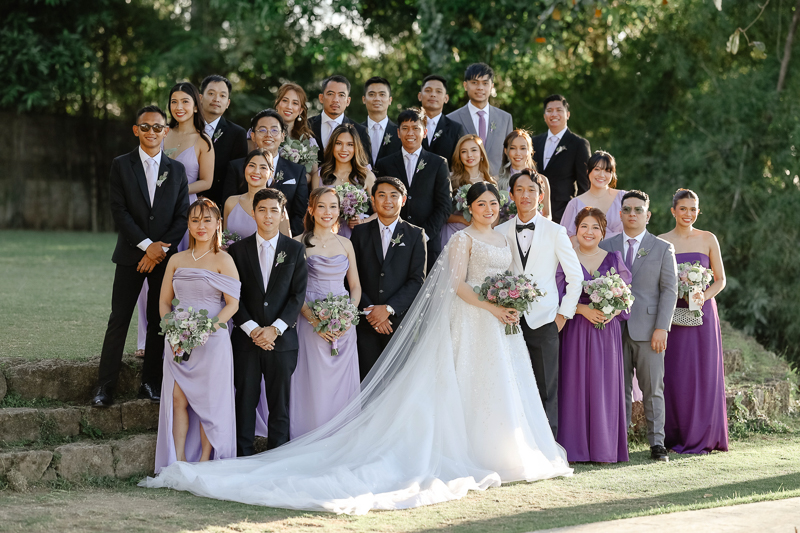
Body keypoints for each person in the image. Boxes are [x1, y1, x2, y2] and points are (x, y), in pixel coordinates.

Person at [142, 182, 572, 513]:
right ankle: (243, 453)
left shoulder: (499, 237)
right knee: (275, 392)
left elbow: (372, 284)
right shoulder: (295, 245)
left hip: (487, 325)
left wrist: (505, 304)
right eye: (481, 203)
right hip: (310, 326)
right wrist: (307, 320)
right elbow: (289, 291)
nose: (489, 208)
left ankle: (497, 449)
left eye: (494, 203)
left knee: (494, 386)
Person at [91, 105, 189, 408]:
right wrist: (147, 246)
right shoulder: (121, 165)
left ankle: (150, 383)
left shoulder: (177, 170)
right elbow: (119, 210)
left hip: (164, 258)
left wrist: (160, 250)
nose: (151, 132)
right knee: (119, 319)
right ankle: (105, 387)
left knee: (158, 319)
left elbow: (182, 216)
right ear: (136, 130)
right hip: (129, 254)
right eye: (145, 127)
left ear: (165, 131)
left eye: (157, 127)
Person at [495, 169, 583, 438]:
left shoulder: (556, 231)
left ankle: (548, 445)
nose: (525, 195)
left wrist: (563, 315)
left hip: (545, 320)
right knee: (511, 386)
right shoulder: (499, 232)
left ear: (541, 196)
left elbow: (575, 277)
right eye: (519, 190)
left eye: (531, 190)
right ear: (511, 195)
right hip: (507, 321)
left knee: (546, 388)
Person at [154, 198, 240, 471]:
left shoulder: (224, 259)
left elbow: (233, 304)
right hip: (178, 341)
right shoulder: (176, 259)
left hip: (212, 342)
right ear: (188, 225)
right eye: (195, 220)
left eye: (207, 220)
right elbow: (164, 301)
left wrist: (206, 329)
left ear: (217, 224)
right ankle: (178, 460)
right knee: (178, 399)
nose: (201, 226)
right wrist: (173, 329)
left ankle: (205, 462)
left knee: (207, 403)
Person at [227, 188, 308, 454]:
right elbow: (233, 295)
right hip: (245, 341)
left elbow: (297, 296)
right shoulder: (237, 251)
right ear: (253, 213)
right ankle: (243, 455)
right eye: (262, 210)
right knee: (245, 400)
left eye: (274, 210)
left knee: (279, 404)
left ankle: (277, 457)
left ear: (282, 214)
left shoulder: (295, 249)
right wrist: (252, 330)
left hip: (282, 342)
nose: (268, 215)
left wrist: (275, 329)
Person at [599, 190, 678, 462]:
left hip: (650, 330)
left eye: (638, 210)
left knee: (652, 388)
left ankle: (657, 443)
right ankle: (619, 442)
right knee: (618, 389)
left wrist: (662, 328)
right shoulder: (606, 246)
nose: (632, 214)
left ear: (648, 215)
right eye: (627, 209)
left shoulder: (662, 248)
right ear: (620, 214)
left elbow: (669, 290)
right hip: (613, 330)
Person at [556, 207, 630, 463]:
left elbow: (626, 298)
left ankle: (603, 448)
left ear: (603, 232)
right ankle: (574, 448)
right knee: (574, 383)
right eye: (584, 226)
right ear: (576, 230)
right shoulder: (564, 258)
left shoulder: (614, 258)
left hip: (605, 332)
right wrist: (581, 309)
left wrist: (613, 310)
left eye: (595, 227)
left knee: (603, 385)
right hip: (574, 328)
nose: (589, 232)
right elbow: (555, 295)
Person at [659, 189, 729, 454]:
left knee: (704, 372)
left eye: (693, 209)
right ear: (673, 211)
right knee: (676, 373)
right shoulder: (661, 241)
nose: (688, 214)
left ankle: (705, 434)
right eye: (683, 209)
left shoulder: (708, 238)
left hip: (703, 315)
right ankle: (674, 434)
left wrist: (702, 296)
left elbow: (720, 279)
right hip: (673, 315)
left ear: (698, 211)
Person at [289, 188, 362, 438]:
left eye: (333, 206)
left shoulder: (346, 244)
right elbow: (294, 290)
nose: (327, 212)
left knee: (341, 382)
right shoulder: (297, 243)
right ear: (311, 209)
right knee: (314, 381)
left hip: (344, 323)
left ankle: (342, 437)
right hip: (310, 319)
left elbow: (355, 286)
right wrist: (314, 320)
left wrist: (348, 317)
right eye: (321, 206)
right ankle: (309, 435)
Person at [350, 177, 427, 380]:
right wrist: (370, 311)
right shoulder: (359, 233)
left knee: (396, 381)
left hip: (398, 322)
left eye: (394, 195)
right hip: (365, 321)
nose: (388, 201)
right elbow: (352, 276)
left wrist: (388, 309)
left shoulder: (415, 235)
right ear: (373, 199)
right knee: (365, 379)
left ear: (403, 200)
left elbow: (417, 280)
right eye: (382, 195)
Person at [374, 107, 451, 272]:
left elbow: (444, 206)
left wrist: (424, 235)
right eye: (405, 128)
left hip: (428, 244)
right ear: (398, 132)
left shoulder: (438, 164)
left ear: (425, 132)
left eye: (416, 128)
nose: (410, 133)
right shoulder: (384, 164)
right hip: (392, 242)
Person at [222, 109, 308, 235]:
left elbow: (300, 214)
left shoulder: (297, 171)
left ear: (282, 136)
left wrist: (286, 241)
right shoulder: (236, 167)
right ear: (253, 135)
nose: (268, 135)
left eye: (274, 130)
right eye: (262, 130)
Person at [164, 82, 214, 251]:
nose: (179, 107)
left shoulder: (203, 140)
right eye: (174, 102)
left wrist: (176, 191)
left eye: (185, 101)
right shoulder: (162, 134)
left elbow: (207, 182)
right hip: (158, 206)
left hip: (186, 206)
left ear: (195, 107)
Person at [532, 95, 591, 224]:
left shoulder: (578, 144)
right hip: (534, 212)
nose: (554, 114)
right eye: (549, 110)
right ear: (544, 116)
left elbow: (585, 185)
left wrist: (578, 215)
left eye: (559, 110)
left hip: (564, 214)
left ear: (567, 114)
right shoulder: (534, 142)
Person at [446, 63, 513, 175]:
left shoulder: (505, 119)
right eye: (474, 83)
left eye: (485, 83)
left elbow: (509, 157)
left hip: (498, 183)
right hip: (464, 183)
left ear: (491, 86)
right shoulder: (451, 119)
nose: (480, 87)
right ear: (465, 85)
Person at [312, 123, 377, 238]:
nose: (344, 149)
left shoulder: (367, 175)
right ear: (332, 145)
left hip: (358, 237)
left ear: (356, 147)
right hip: (327, 238)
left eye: (350, 144)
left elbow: (381, 212)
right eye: (338, 143)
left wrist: (362, 222)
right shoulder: (320, 176)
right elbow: (312, 212)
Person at [198, 75, 248, 207]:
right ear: (200, 98)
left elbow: (237, 178)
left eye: (222, 95)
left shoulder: (237, 134)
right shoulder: (185, 128)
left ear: (227, 103)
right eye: (211, 93)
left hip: (218, 205)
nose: (216, 99)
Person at [441, 134, 495, 249]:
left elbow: (496, 214)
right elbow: (441, 212)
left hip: (481, 236)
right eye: (464, 151)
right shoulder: (450, 179)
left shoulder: (490, 182)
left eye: (474, 150)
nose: (469, 155)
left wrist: (487, 234)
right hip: (454, 232)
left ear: (481, 154)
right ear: (459, 156)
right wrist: (463, 220)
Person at [560, 151, 626, 241]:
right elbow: (566, 239)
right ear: (588, 171)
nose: (601, 175)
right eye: (597, 169)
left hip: (621, 250)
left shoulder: (624, 198)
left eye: (607, 170)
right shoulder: (575, 204)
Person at [307, 75, 372, 164]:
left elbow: (365, 166)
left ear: (348, 101)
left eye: (341, 95)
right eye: (330, 94)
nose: (335, 100)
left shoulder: (360, 132)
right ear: (321, 98)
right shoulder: (306, 126)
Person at [496, 130, 552, 219]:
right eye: (513, 148)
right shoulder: (496, 181)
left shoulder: (542, 180)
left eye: (522, 148)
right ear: (506, 151)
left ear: (530, 151)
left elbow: (547, 215)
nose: (518, 153)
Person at [417, 75, 465, 167]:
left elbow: (459, 164)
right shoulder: (408, 126)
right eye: (428, 90)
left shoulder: (455, 129)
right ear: (420, 96)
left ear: (446, 98)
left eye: (438, 91)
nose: (433, 94)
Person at [361, 76, 402, 166]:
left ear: (390, 100)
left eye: (382, 94)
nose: (377, 99)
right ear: (364, 99)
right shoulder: (355, 131)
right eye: (372, 94)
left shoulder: (400, 133)